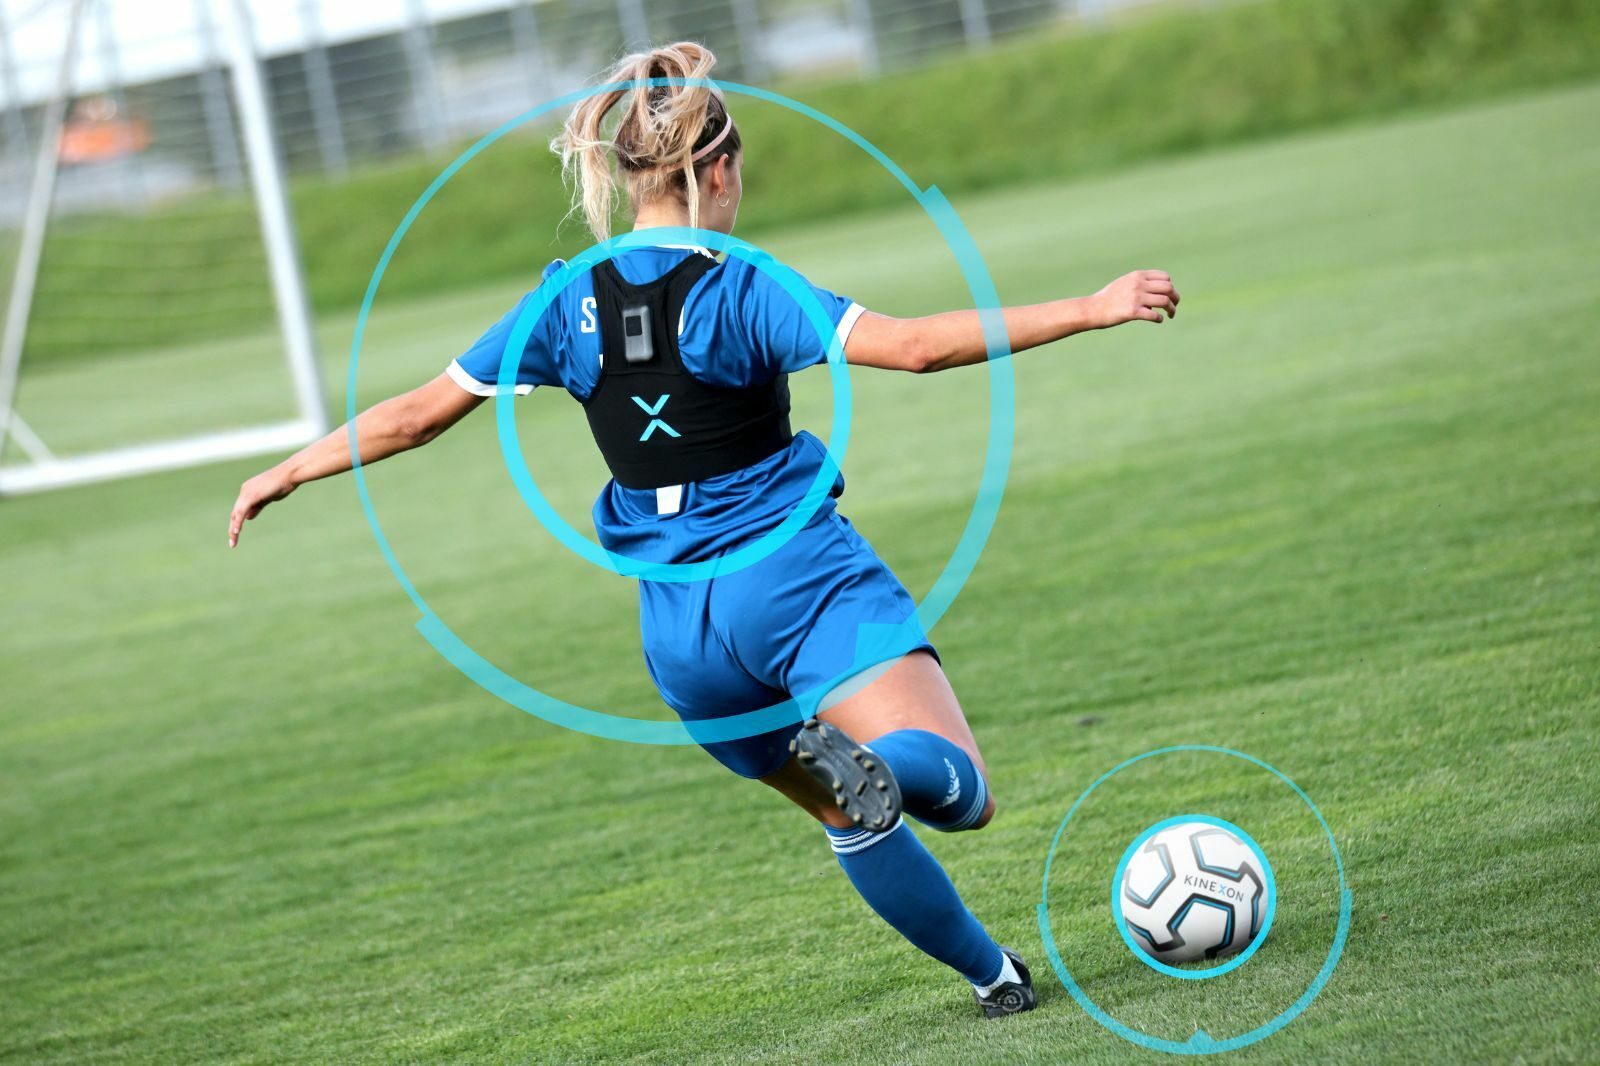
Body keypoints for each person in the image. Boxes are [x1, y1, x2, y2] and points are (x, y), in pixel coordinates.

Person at [227, 42, 1178, 1018]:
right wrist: (1090, 307)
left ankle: (994, 976)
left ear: (626, 174)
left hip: (685, 645)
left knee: (851, 814)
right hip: (794, 584)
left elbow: (416, 414)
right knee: (954, 791)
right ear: (716, 170)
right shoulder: (740, 287)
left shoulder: (564, 300)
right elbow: (913, 348)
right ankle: (882, 761)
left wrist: (289, 468)